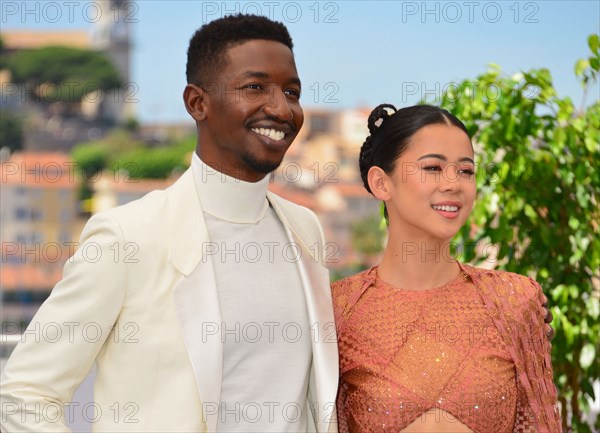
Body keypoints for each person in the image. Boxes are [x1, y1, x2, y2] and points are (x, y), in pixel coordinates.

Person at [0, 15, 338, 433]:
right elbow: (25, 395)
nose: (281, 108)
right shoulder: (128, 237)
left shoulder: (306, 230)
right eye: (255, 87)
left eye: (292, 91)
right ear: (197, 103)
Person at [332, 104, 562, 433]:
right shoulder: (338, 309)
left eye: (466, 171)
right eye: (433, 168)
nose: (454, 183)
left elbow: (540, 424)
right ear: (381, 183)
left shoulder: (513, 301)